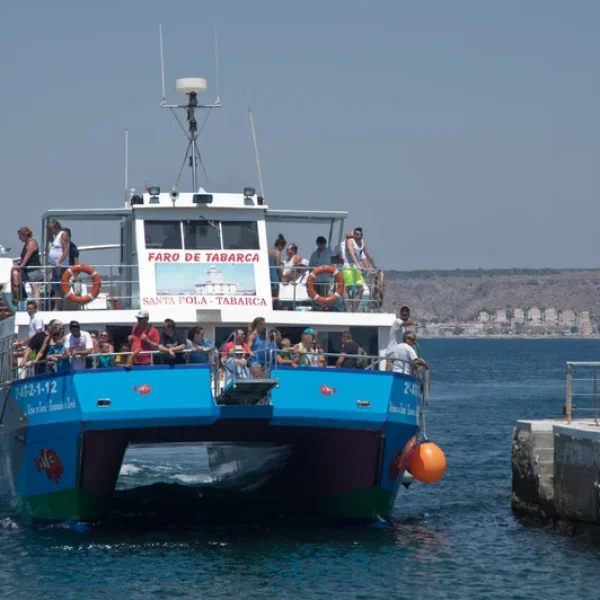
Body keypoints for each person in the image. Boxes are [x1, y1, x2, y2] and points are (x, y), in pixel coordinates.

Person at [12, 226, 43, 303]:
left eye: (20, 236)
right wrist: (19, 264)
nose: (19, 238)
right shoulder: (26, 244)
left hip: (33, 270)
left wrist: (21, 265)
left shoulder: (32, 242)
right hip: (27, 270)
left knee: (35, 289)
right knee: (19, 285)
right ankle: (21, 301)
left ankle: (38, 308)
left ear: (25, 235)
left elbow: (28, 255)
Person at [47, 219, 70, 310]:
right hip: (54, 266)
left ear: (55, 227)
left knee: (63, 287)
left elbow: (66, 249)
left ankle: (64, 308)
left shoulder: (63, 234)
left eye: (50, 228)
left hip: (61, 266)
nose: (49, 230)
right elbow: (50, 244)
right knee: (56, 288)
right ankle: (56, 307)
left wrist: (59, 262)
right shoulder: (55, 236)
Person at [268, 234, 286, 298]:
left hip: (267, 276)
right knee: (275, 296)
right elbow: (278, 267)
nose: (282, 249)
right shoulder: (278, 253)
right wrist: (282, 277)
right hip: (274, 277)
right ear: (280, 245)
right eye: (283, 247)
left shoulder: (268, 251)